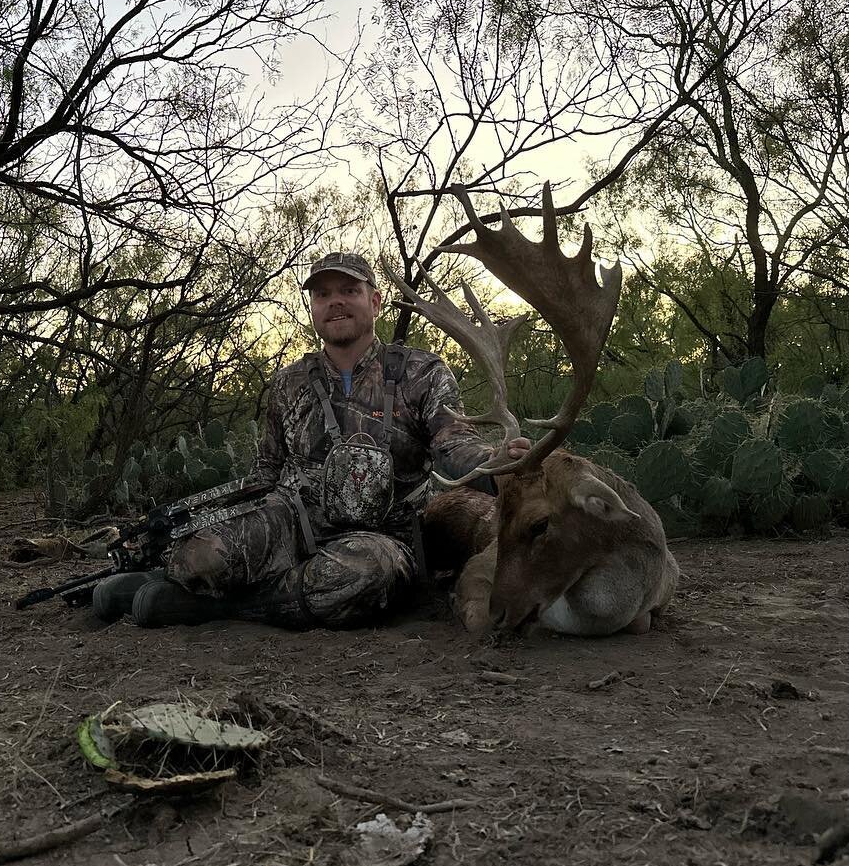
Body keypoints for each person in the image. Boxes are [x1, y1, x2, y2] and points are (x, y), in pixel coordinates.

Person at [94, 251, 527, 628]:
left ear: (374, 301)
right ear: (314, 310)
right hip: (292, 520)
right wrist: (217, 525)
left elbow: (454, 447)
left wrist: (500, 463)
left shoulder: (422, 372)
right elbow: (265, 474)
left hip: (383, 536)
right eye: (322, 294)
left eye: (348, 290)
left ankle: (218, 608)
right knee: (204, 554)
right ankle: (174, 581)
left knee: (367, 573)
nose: (335, 301)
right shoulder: (289, 382)